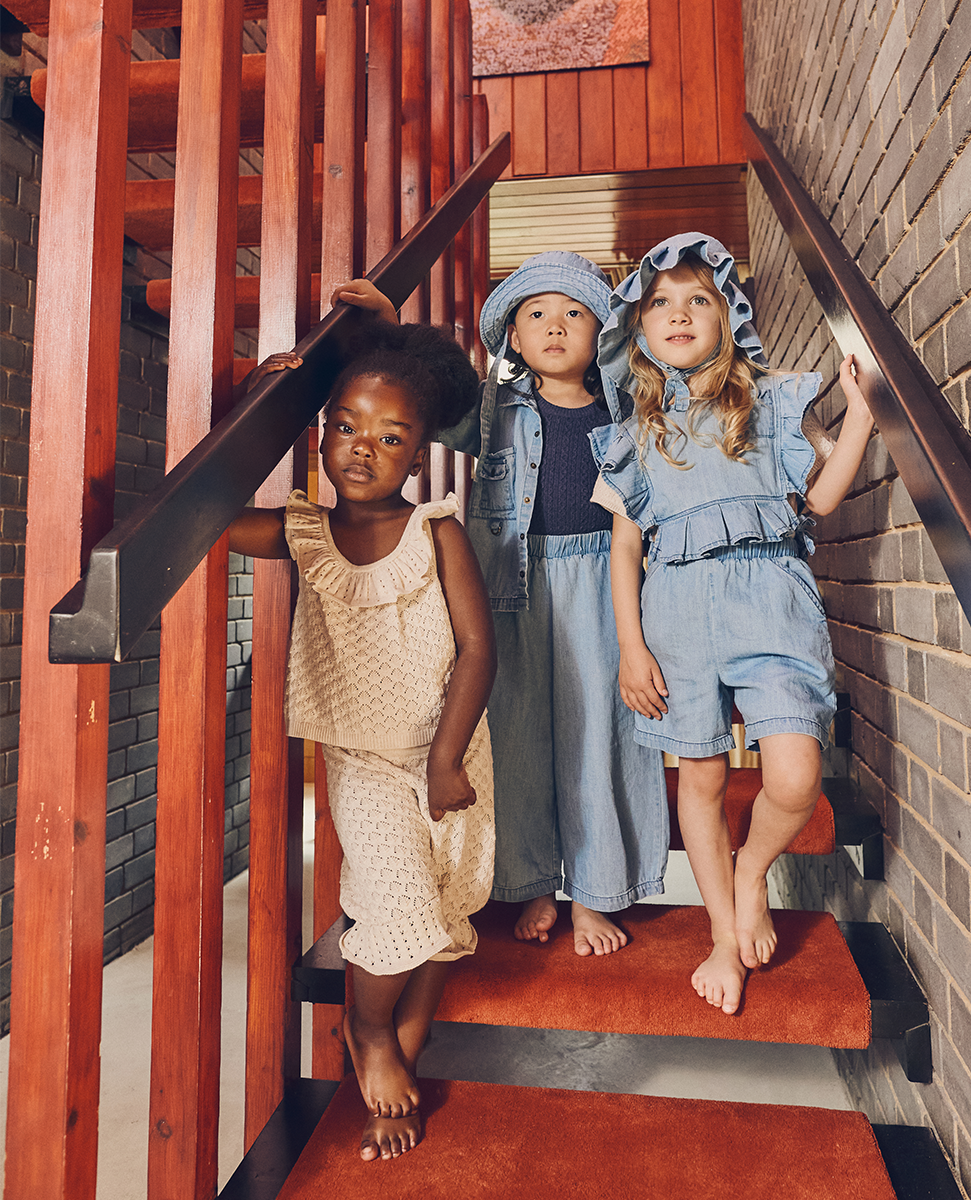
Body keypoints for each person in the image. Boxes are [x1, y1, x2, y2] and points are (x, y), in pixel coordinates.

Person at [333, 257, 670, 956]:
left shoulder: (630, 408)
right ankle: (531, 882)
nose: (555, 326)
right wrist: (391, 328)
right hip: (510, 589)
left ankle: (596, 892)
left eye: (574, 314)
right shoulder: (491, 409)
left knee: (598, 735)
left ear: (602, 334)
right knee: (514, 738)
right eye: (536, 314)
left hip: (604, 588)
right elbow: (423, 397)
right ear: (513, 337)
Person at [229, 320, 496, 1162]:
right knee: (397, 903)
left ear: (417, 456)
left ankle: (402, 1049)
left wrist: (446, 758)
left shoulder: (436, 531)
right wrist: (253, 409)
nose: (361, 448)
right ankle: (371, 1031)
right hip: (364, 760)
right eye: (344, 426)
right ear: (319, 435)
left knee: (447, 907)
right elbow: (211, 515)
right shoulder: (304, 534)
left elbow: (479, 649)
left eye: (389, 437)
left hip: (450, 751)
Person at [591, 232, 875, 1016]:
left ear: (728, 315)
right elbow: (624, 549)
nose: (679, 314)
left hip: (772, 604)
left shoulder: (771, 400)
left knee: (795, 776)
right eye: (661, 303)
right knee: (703, 777)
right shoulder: (635, 433)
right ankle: (723, 933)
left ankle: (752, 870)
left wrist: (860, 415)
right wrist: (631, 648)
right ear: (640, 328)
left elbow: (820, 499)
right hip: (675, 612)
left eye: (699, 299)